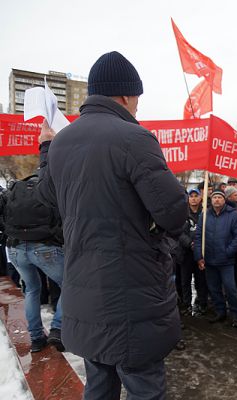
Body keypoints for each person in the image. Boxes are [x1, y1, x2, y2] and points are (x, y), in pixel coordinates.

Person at [37, 51, 188, 399]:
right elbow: (174, 213)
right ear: (124, 95)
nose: (138, 107)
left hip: (84, 298)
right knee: (143, 390)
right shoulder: (134, 138)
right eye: (137, 98)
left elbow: (46, 199)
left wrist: (46, 149)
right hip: (133, 301)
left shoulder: (61, 143)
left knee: (100, 387)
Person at [2, 175, 65, 353]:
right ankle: (57, 328)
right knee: (69, 284)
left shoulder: (16, 189)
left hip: (16, 247)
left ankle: (36, 338)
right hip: (44, 246)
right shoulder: (49, 189)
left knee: (31, 289)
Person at [194, 190, 237, 327]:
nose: (217, 200)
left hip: (226, 260)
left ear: (224, 200)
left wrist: (228, 251)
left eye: (219, 197)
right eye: (214, 197)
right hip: (209, 260)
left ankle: (235, 313)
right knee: (214, 288)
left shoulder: (233, 215)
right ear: (211, 200)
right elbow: (198, 236)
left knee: (230, 288)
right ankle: (220, 311)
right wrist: (199, 256)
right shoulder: (204, 215)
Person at [177, 189, 208, 316]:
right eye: (191, 196)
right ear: (188, 198)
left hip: (200, 253)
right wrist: (190, 243)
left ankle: (202, 303)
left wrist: (200, 245)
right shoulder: (182, 214)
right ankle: (187, 304)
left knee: (201, 280)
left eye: (196, 196)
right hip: (186, 253)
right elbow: (179, 232)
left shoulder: (205, 213)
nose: (194, 198)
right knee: (185, 281)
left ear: (200, 198)